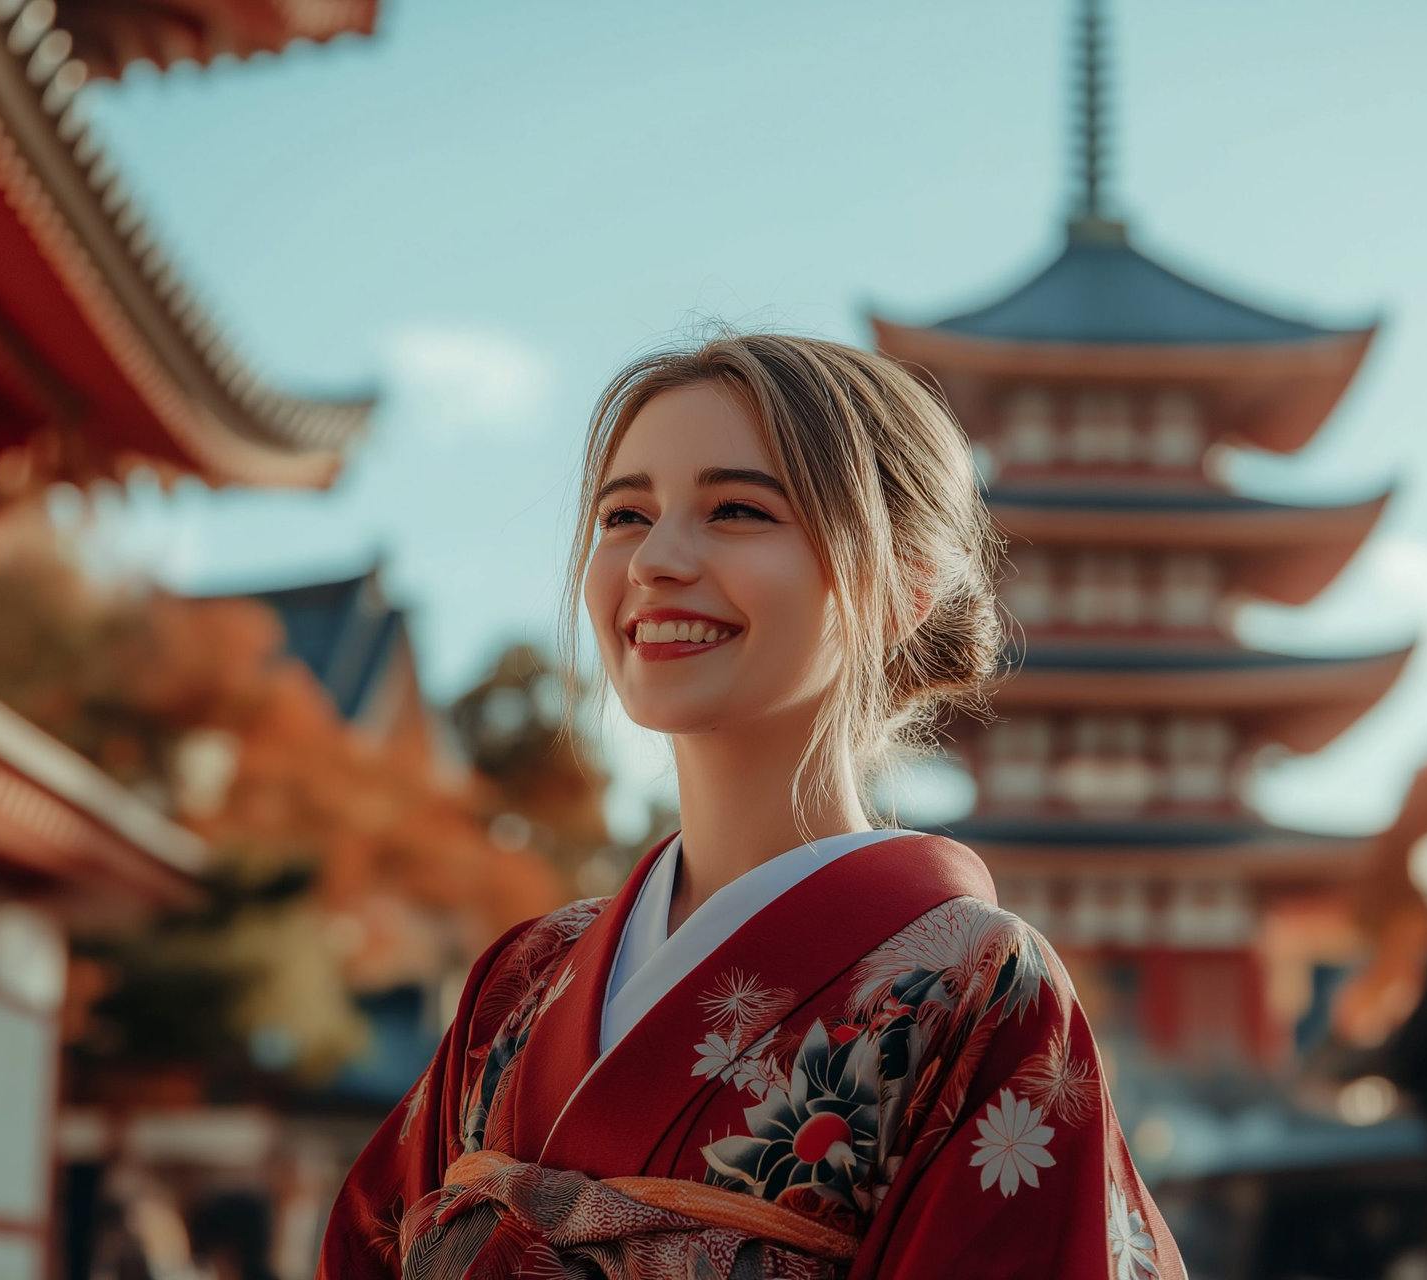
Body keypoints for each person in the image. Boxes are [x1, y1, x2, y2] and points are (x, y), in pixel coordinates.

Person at [317, 333, 1184, 1278]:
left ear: (903, 587)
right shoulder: (519, 981)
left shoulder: (976, 993)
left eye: (734, 509)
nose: (656, 558)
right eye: (625, 514)